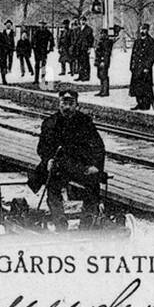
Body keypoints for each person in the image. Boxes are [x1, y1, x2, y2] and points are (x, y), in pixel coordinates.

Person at [31, 87, 106, 229]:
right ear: (59, 104)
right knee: (53, 186)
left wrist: (95, 166)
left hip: (80, 166)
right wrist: (47, 160)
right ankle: (60, 222)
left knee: (93, 183)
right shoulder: (50, 123)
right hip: (58, 165)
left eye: (71, 104)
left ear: (77, 105)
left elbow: (98, 147)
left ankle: (87, 221)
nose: (67, 107)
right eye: (63, 103)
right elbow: (42, 147)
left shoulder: (85, 122)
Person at [128, 22, 154, 110]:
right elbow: (133, 55)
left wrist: (147, 67)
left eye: (144, 29)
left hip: (144, 69)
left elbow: (151, 56)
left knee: (146, 87)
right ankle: (139, 103)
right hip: (137, 68)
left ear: (147, 30)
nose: (142, 31)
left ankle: (146, 104)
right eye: (141, 29)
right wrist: (131, 66)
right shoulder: (137, 41)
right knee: (137, 87)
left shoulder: (151, 42)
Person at [94, 25, 117, 97]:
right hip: (99, 61)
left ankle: (105, 91)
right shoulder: (101, 41)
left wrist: (103, 61)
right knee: (100, 76)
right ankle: (102, 90)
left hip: (103, 62)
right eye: (100, 34)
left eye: (102, 34)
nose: (101, 35)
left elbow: (106, 53)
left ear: (105, 34)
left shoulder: (107, 42)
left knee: (104, 76)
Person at [31, 21, 54, 85]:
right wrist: (33, 46)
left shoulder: (47, 32)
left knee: (43, 65)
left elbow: (51, 40)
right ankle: (36, 80)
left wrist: (50, 48)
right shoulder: (36, 32)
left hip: (44, 51)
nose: (42, 26)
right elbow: (33, 40)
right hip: (37, 51)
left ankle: (43, 79)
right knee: (37, 65)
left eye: (43, 25)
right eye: (41, 24)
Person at [76, 16, 95, 82]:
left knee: (86, 63)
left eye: (83, 20)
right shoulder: (78, 29)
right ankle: (80, 76)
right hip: (79, 48)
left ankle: (87, 76)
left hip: (85, 48)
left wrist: (89, 47)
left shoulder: (89, 29)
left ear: (85, 21)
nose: (82, 22)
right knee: (79, 62)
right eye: (81, 20)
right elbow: (76, 39)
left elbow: (91, 39)